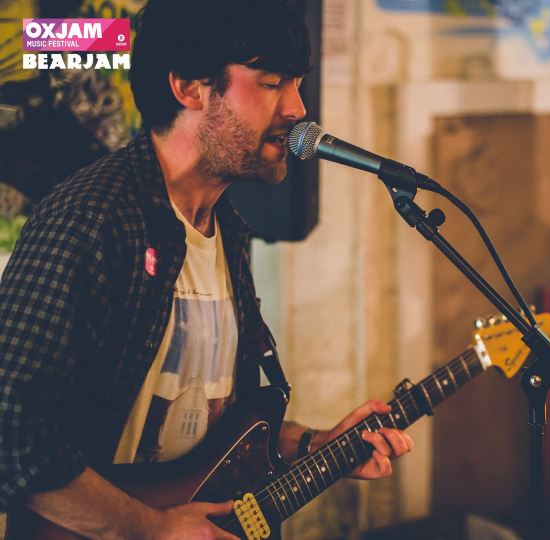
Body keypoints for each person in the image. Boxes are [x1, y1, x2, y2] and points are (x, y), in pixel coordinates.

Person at [0, 1, 413, 538]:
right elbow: (12, 430)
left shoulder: (229, 231)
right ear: (189, 87)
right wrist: (150, 528)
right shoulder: (91, 219)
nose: (298, 109)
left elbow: (222, 429)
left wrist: (313, 444)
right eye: (272, 83)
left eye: (296, 84)